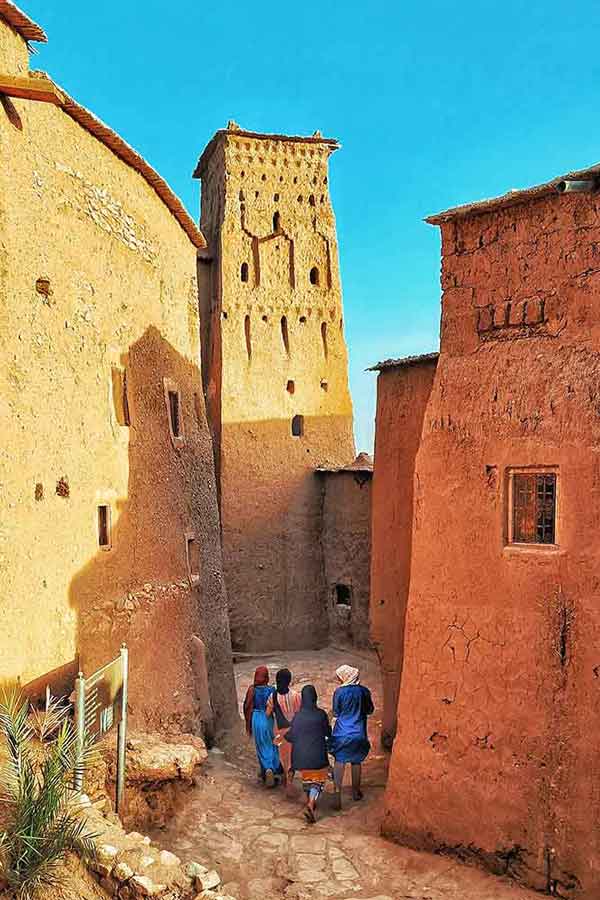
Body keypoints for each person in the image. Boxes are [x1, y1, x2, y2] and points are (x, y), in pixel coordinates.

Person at [284, 684, 331, 823]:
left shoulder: (298, 717)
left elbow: (291, 735)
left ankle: (310, 800)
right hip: (318, 757)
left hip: (301, 759)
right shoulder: (321, 714)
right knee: (317, 779)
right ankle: (311, 803)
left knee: (308, 778)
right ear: (315, 698)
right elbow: (328, 732)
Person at [329, 664, 374, 809]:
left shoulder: (339, 692)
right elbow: (370, 710)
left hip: (342, 732)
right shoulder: (364, 691)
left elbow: (336, 712)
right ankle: (355, 791)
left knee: (339, 760)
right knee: (356, 761)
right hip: (358, 732)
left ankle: (337, 793)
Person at [243, 666, 282, 787]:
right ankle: (273, 769)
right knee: (271, 743)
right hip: (268, 718)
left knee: (261, 744)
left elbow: (246, 706)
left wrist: (248, 722)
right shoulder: (272, 690)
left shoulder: (252, 690)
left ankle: (266, 769)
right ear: (266, 677)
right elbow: (276, 707)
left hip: (256, 718)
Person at [267, 668, 301, 794]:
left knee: (282, 756)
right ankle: (290, 782)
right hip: (293, 730)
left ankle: (284, 777)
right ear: (289, 681)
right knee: (292, 756)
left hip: (279, 730)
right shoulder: (296, 695)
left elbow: (268, 713)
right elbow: (299, 713)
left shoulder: (272, 696)